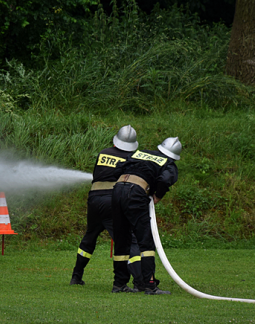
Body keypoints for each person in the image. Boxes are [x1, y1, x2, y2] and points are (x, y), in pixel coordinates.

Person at [70, 125, 141, 293]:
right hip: (112, 201)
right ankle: (139, 281)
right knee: (128, 241)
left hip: (94, 199)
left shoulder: (104, 153)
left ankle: (76, 276)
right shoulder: (131, 157)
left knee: (90, 237)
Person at [112, 137, 181, 295]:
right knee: (146, 242)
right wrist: (158, 195)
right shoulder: (168, 163)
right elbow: (164, 180)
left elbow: (117, 169)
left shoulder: (140, 153)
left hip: (117, 191)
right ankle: (149, 285)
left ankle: (119, 284)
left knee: (122, 240)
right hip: (135, 194)